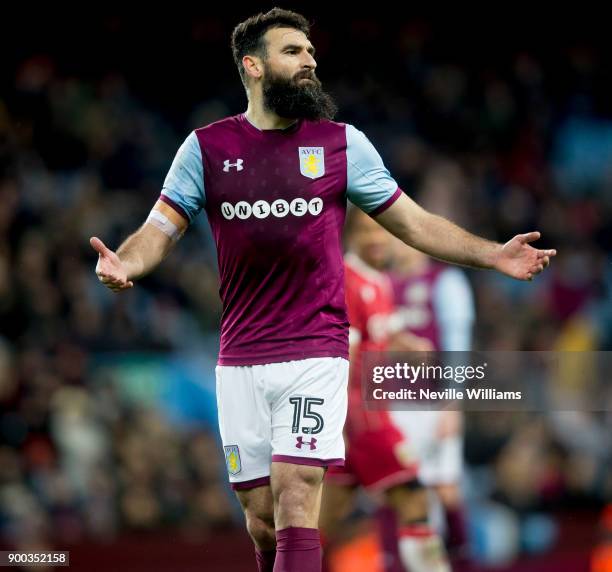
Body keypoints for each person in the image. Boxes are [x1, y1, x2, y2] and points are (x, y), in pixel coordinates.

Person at [90, 8, 556, 572]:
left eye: (311, 52)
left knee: (297, 491)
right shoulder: (205, 149)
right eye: (293, 52)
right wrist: (128, 264)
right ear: (253, 67)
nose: (310, 61)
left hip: (317, 349)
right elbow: (160, 229)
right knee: (261, 517)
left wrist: (492, 254)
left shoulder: (342, 145)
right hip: (240, 356)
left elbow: (414, 223)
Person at [322, 208, 451, 572]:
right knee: (415, 500)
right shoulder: (345, 280)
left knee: (318, 526)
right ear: (350, 236)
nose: (377, 239)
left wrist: (408, 345)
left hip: (361, 418)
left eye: (383, 232)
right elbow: (339, 357)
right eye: (367, 232)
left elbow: (385, 333)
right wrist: (339, 425)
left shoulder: (378, 281)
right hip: (363, 418)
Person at [388, 241, 475, 571]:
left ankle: (463, 561)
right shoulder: (383, 283)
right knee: (393, 489)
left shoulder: (445, 282)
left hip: (431, 403)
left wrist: (453, 403)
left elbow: (457, 343)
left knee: (445, 486)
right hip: (390, 402)